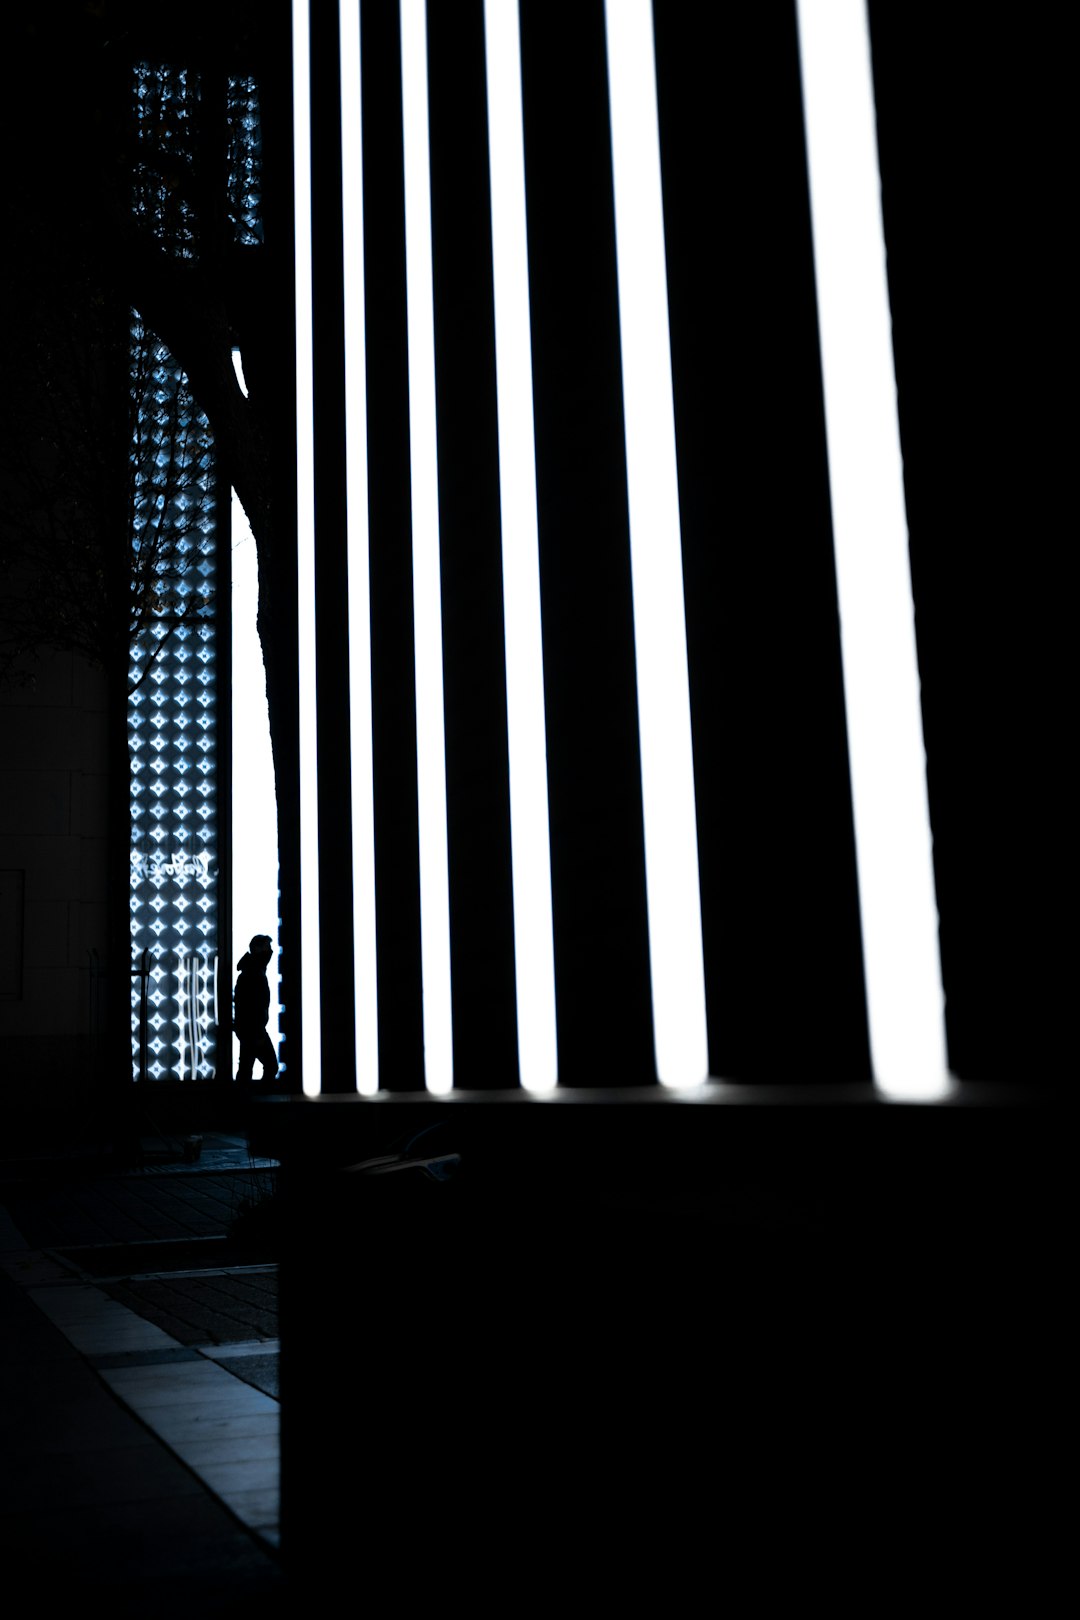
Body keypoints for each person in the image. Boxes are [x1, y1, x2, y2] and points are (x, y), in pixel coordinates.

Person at [233, 933, 279, 1085]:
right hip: (254, 1031)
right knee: (270, 1066)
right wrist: (257, 1032)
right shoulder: (254, 974)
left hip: (249, 1030)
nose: (270, 952)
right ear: (257, 949)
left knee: (245, 1069)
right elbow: (251, 1006)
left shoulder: (250, 972)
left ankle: (243, 1103)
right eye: (267, 948)